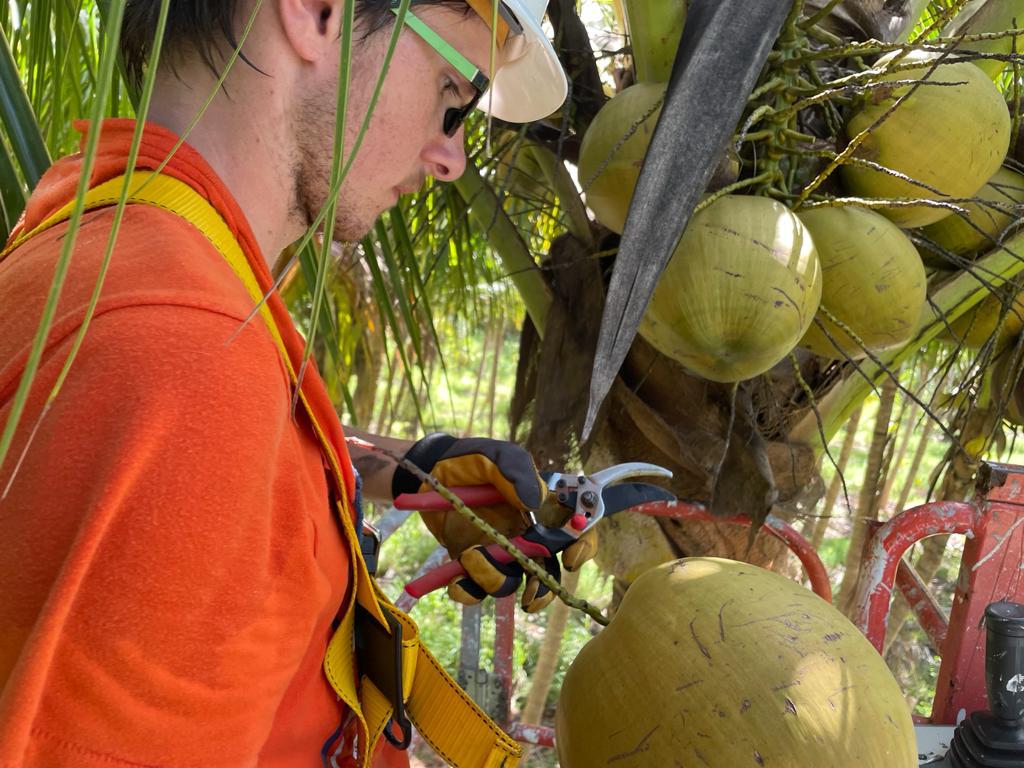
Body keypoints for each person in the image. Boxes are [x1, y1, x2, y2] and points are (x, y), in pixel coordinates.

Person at [0, 1, 594, 765]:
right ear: (317, 13)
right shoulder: (188, 363)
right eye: (452, 97)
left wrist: (405, 466)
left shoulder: (111, 233)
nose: (450, 159)